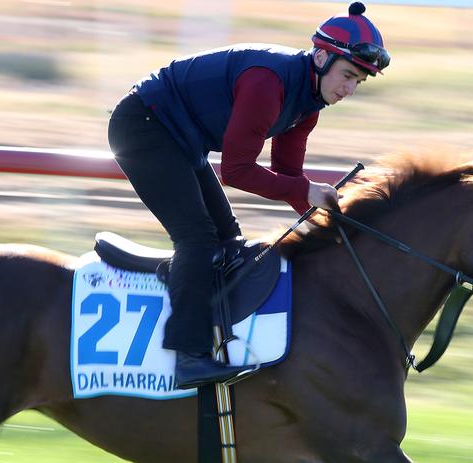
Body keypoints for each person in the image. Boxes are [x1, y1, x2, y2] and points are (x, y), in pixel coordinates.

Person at [107, 1, 390, 389]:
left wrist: (331, 218)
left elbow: (289, 176)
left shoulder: (308, 105)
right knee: (198, 238)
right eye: (347, 75)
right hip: (144, 127)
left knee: (228, 238)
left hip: (178, 138)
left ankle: (192, 296)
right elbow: (236, 171)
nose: (350, 89)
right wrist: (306, 191)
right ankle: (188, 357)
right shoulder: (267, 83)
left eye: (359, 81)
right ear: (321, 57)